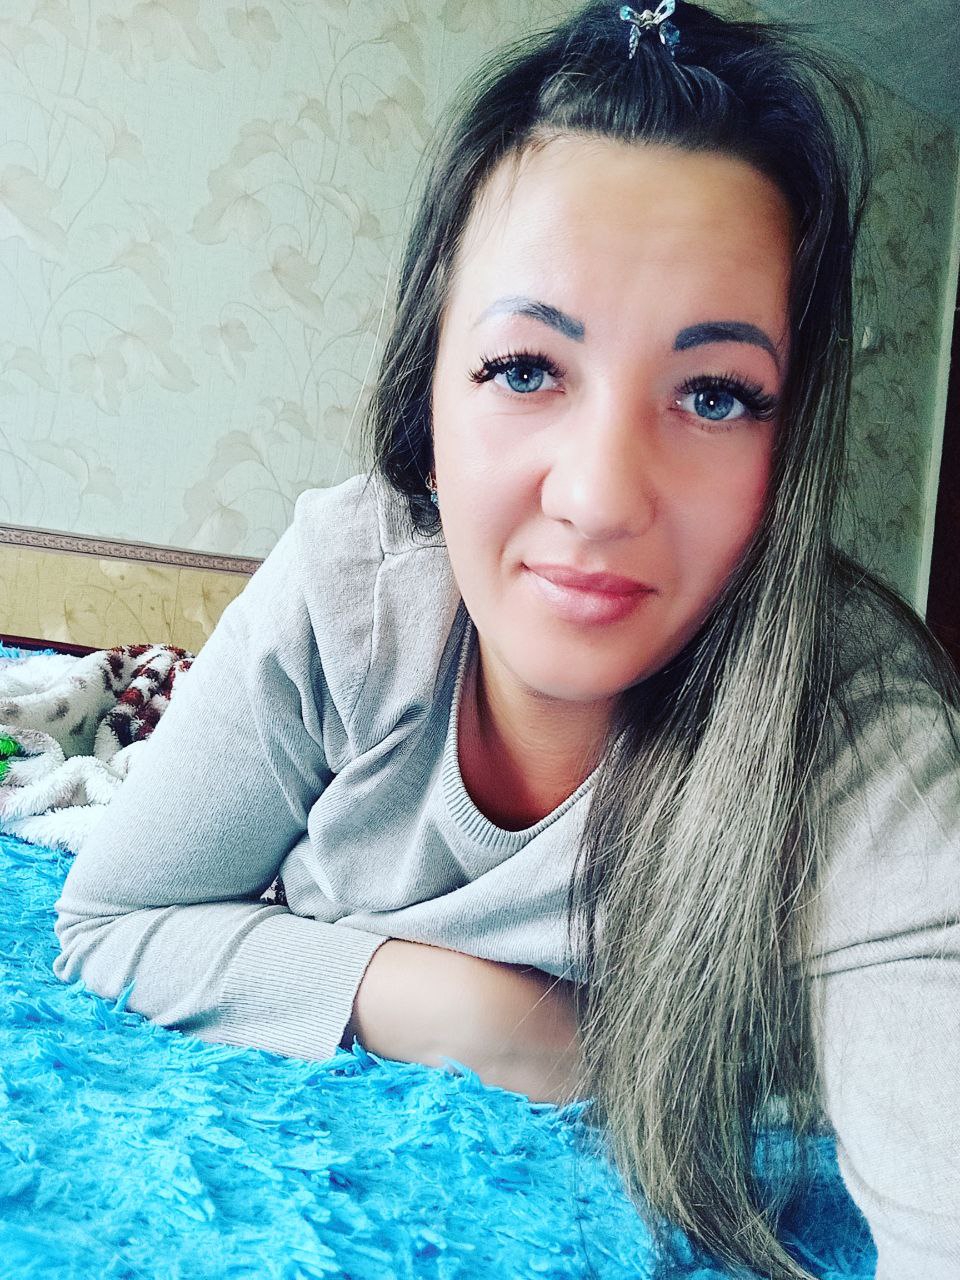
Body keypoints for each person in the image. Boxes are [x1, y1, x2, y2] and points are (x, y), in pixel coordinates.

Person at [52, 2, 960, 1277]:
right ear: (429, 391)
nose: (599, 496)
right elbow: (109, 918)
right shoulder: (349, 586)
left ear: (786, 448)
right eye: (526, 367)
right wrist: (518, 1024)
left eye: (714, 394)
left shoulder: (855, 723)